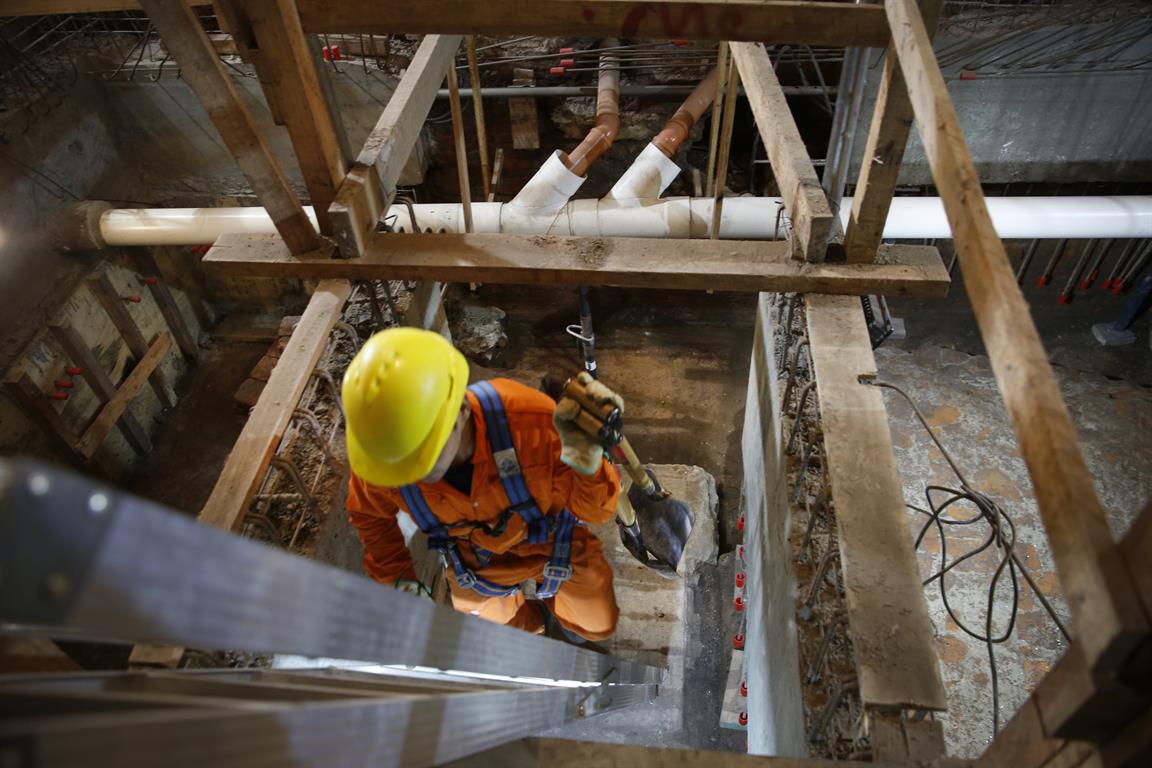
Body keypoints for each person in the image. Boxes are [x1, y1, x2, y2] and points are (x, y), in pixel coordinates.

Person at [342, 327, 621, 641]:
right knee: (499, 637)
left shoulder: (530, 422)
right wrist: (397, 581)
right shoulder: (382, 458)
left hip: (553, 541)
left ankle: (572, 626)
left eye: (423, 459)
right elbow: (370, 517)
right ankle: (535, 625)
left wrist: (589, 462)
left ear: (460, 410)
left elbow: (597, 512)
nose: (410, 477)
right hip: (471, 560)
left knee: (596, 625)